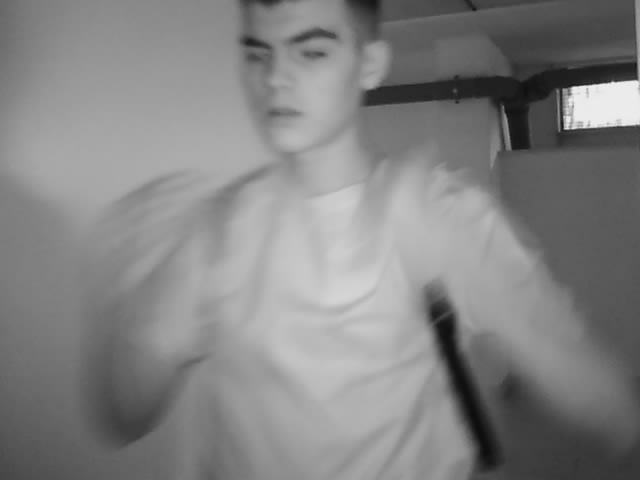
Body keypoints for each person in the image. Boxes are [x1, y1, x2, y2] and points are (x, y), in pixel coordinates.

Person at [85, 0, 640, 479]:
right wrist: (127, 297)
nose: (275, 78)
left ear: (369, 63)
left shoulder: (438, 214)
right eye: (258, 53)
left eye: (311, 52)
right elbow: (124, 417)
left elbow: (580, 375)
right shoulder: (213, 231)